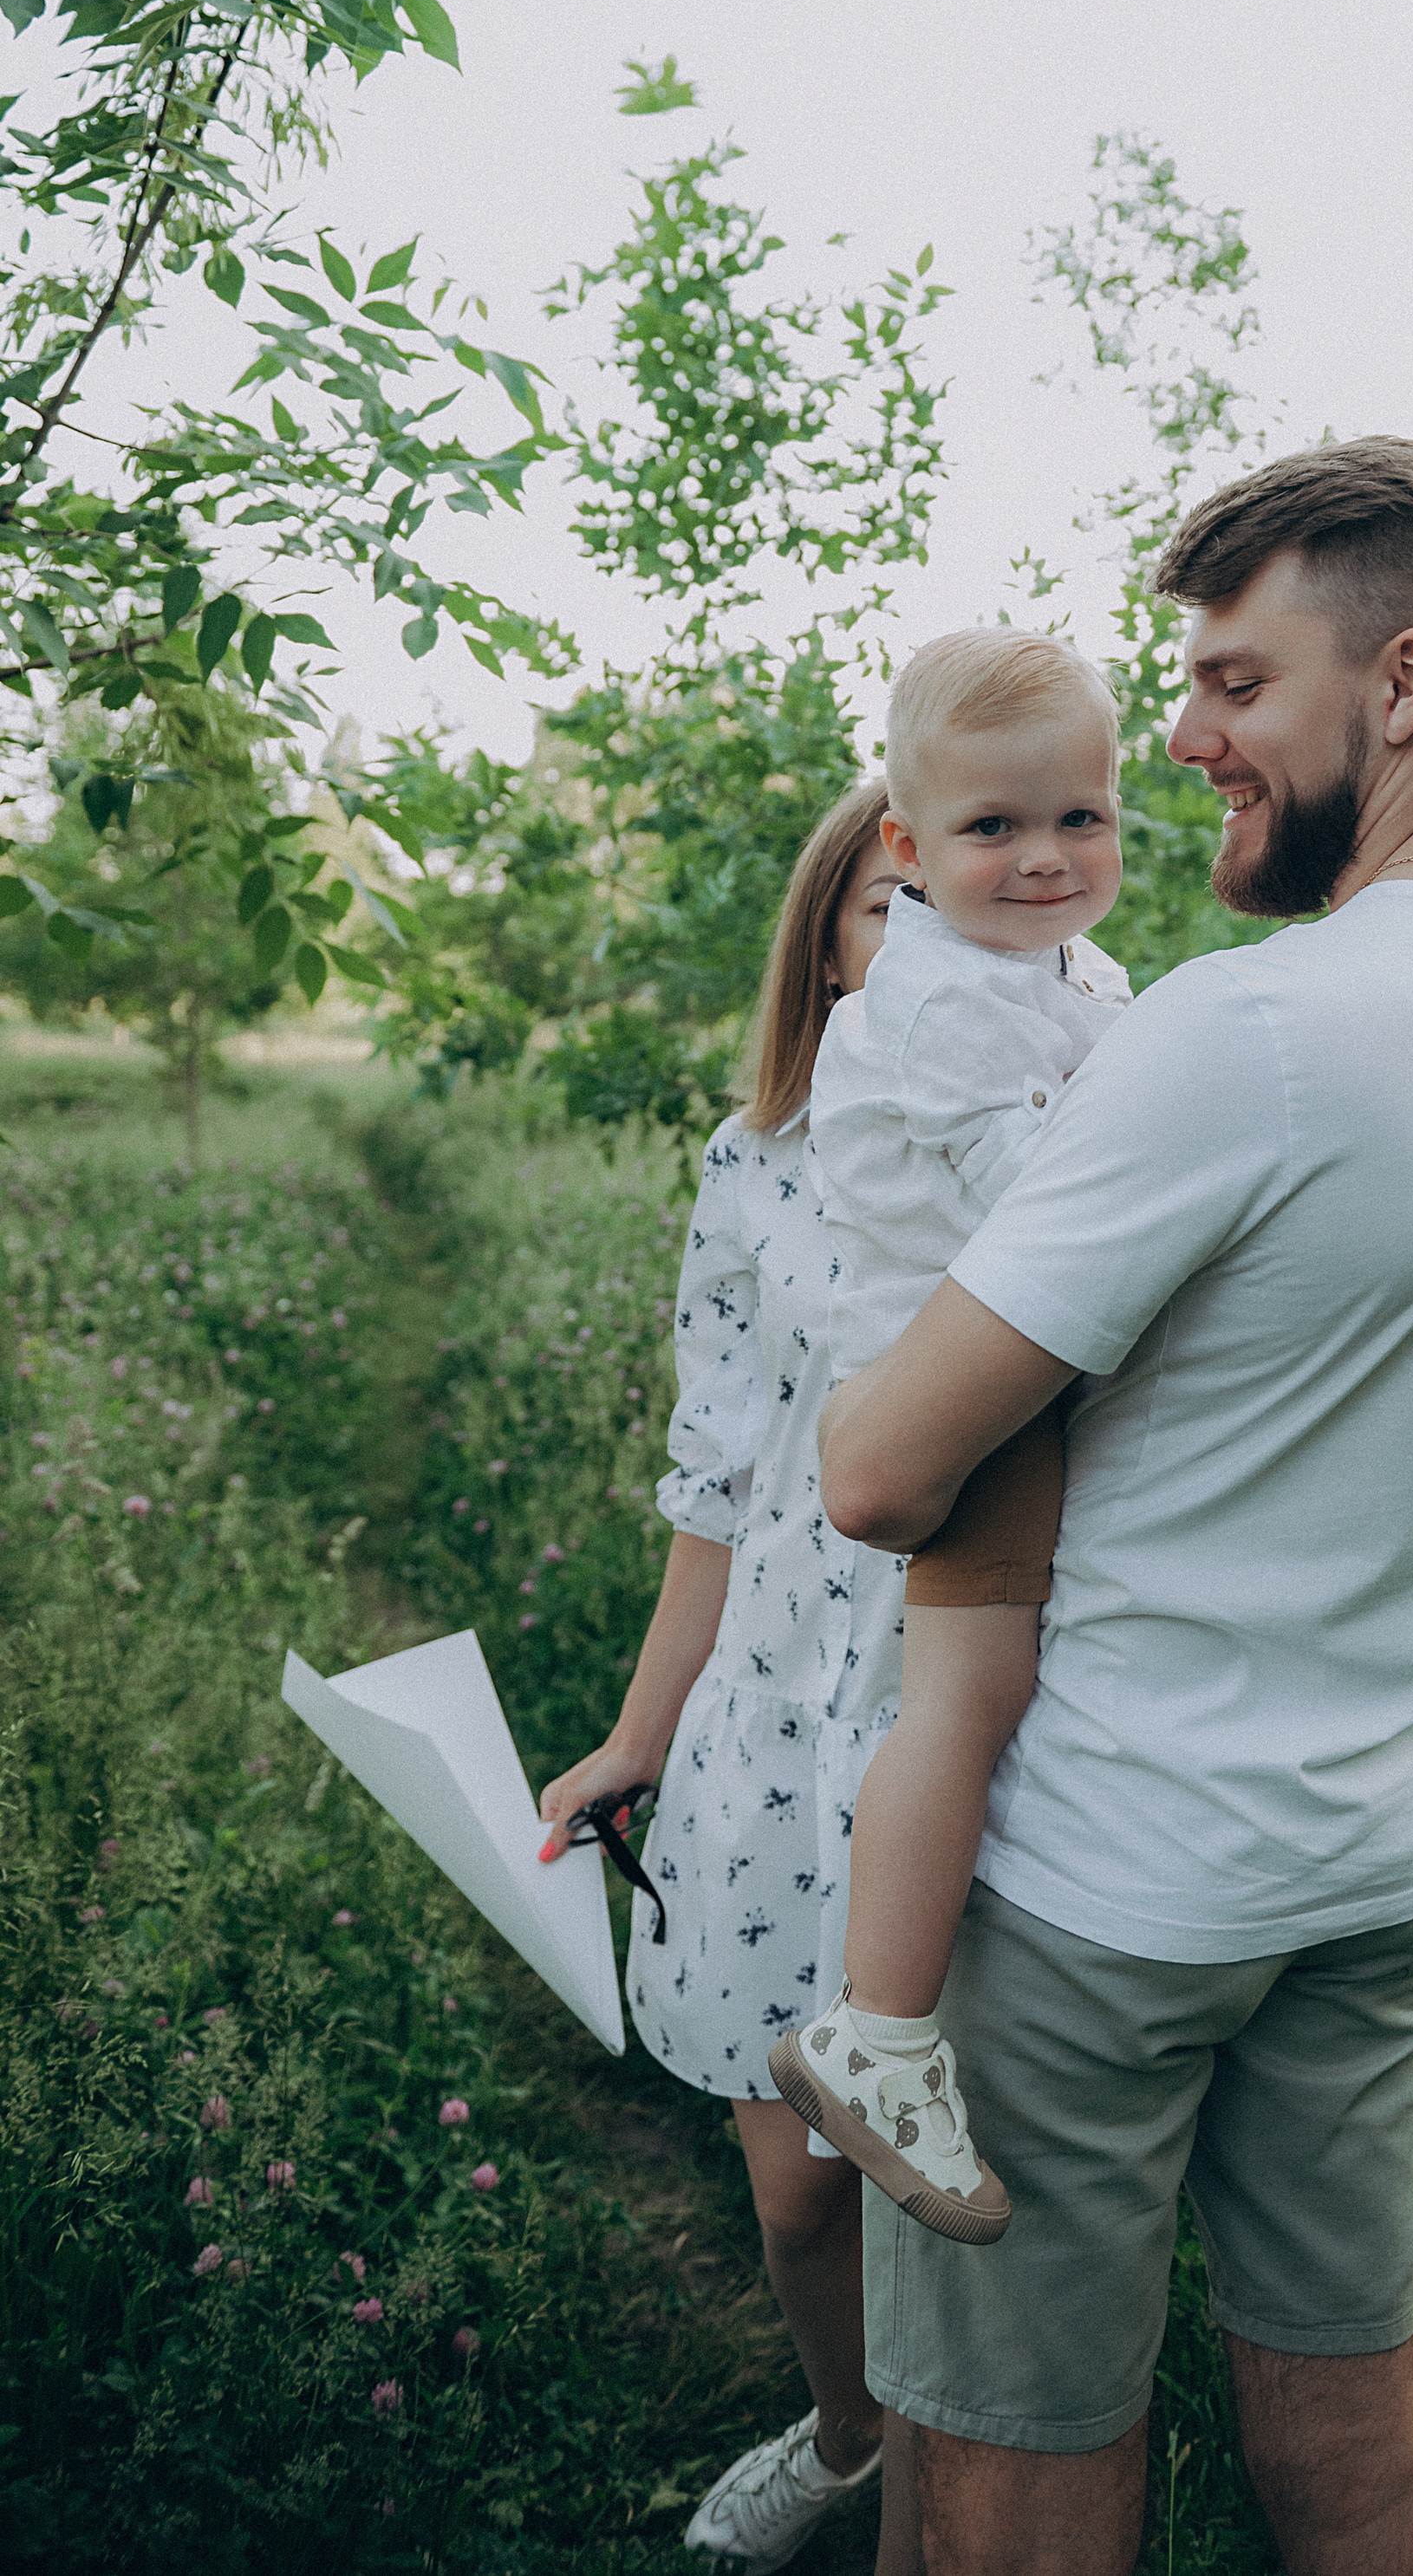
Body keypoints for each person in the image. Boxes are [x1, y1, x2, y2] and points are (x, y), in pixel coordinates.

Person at [817, 438, 1413, 2576]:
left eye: (1229, 683)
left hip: (1107, 1883)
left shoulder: (1245, 1035)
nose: (1179, 736)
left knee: (1009, 2485)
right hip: (1374, 1861)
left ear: (1396, 682)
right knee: (1357, 2441)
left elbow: (874, 1463)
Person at [536, 783, 919, 2576]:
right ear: (825, 948)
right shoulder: (752, 1158)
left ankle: (979, 2481)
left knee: (960, 2150)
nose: (916, 936)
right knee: (797, 2174)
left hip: (981, 1690)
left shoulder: (1082, 1115)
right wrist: (638, 1730)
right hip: (780, 1688)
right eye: (878, 907)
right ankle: (849, 2437)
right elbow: (713, 1478)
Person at [772, 631, 1130, 2245]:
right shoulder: (941, 1008)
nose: (1047, 859)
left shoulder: (1052, 975)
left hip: (998, 1362)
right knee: (961, 1704)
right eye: (995, 829)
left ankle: (910, 2008)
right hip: (951, 1386)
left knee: (993, 1696)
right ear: (906, 851)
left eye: (1083, 819)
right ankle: (881, 2029)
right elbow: (1050, 1207)